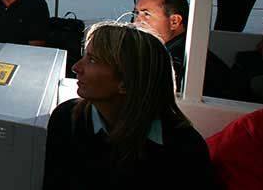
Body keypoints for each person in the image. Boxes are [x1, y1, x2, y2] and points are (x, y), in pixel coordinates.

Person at [43, 22, 216, 190]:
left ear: (126, 82)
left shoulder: (185, 150)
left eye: (93, 60)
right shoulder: (67, 118)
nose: (76, 67)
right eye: (84, 56)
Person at [133, 0, 230, 97]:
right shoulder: (184, 49)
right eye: (136, 13)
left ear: (174, 21)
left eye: (146, 14)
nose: (137, 22)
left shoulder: (174, 61)